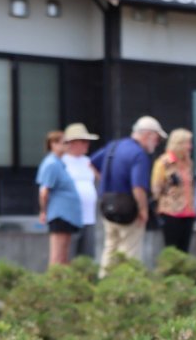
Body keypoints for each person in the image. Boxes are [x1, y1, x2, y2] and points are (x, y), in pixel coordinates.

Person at [91, 115, 165, 276]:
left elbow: (91, 162)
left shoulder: (114, 146)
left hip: (107, 205)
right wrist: (143, 210)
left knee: (110, 248)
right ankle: (127, 287)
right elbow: (138, 187)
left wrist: (104, 180)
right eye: (157, 139)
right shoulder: (139, 154)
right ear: (148, 135)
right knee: (130, 251)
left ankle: (104, 284)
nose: (157, 143)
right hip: (128, 208)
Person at [36, 130, 82, 267]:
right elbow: (44, 191)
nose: (68, 145)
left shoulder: (59, 163)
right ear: (53, 144)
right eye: (64, 142)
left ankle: (62, 284)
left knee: (64, 255)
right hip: (59, 215)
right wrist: (43, 211)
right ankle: (53, 285)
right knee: (57, 256)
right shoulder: (51, 164)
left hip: (66, 215)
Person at [151, 128, 196, 253]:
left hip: (188, 212)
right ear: (179, 144)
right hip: (170, 212)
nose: (190, 147)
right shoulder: (163, 162)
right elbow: (156, 188)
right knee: (172, 249)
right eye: (188, 143)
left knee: (185, 250)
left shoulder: (188, 163)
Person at [61, 123, 100, 260]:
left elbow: (98, 179)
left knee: (88, 255)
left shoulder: (87, 161)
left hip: (89, 216)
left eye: (87, 141)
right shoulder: (62, 162)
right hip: (70, 217)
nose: (87, 144)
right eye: (83, 141)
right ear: (71, 142)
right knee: (70, 254)